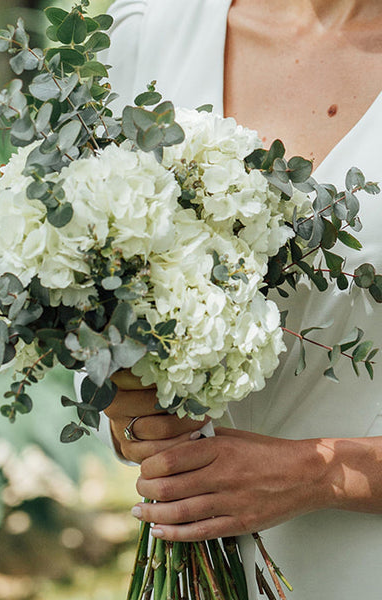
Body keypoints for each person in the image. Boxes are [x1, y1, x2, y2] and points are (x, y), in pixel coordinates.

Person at [77, 0, 382, 597]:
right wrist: (134, 407)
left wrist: (319, 476)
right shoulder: (149, 30)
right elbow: (97, 286)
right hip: (194, 563)